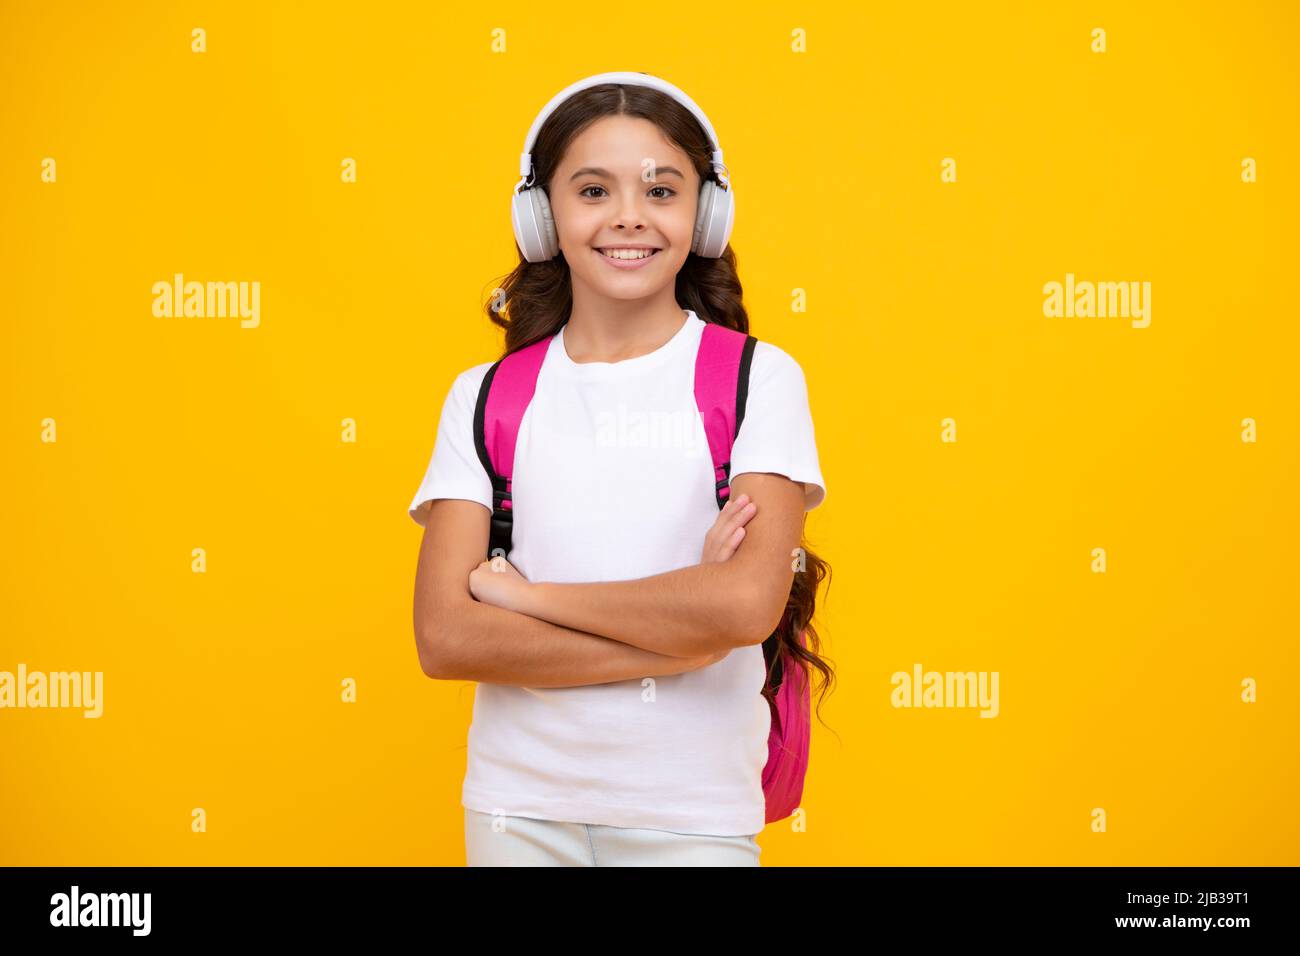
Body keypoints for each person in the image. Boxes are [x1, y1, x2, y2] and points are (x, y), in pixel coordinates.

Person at [408, 72, 834, 866]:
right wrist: (684, 639)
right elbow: (446, 636)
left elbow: (743, 607)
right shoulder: (487, 396)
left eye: (661, 190)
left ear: (705, 214)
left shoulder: (757, 380)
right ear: (543, 217)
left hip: (693, 814)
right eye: (593, 189)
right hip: (515, 809)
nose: (628, 216)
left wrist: (528, 601)